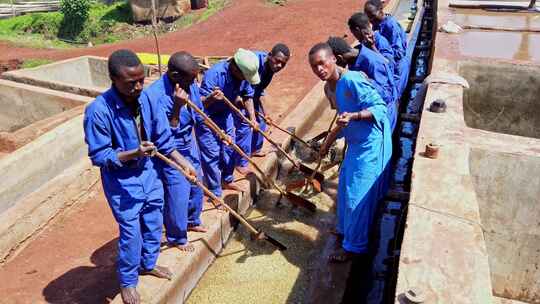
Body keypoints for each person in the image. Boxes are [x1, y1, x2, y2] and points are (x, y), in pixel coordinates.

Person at [83, 49, 196, 304]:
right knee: (131, 234)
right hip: (123, 183)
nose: (137, 87)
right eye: (130, 83)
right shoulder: (98, 111)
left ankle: (148, 264)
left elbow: (164, 139)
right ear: (113, 79)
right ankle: (128, 281)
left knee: (154, 224)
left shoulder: (147, 100)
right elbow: (100, 156)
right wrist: (133, 152)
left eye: (140, 80)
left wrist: (183, 163)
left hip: (149, 174)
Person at [309, 42, 392, 262]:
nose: (319, 69)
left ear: (333, 59)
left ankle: (353, 248)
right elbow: (341, 119)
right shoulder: (328, 88)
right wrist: (326, 145)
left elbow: (380, 108)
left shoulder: (352, 80)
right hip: (356, 144)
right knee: (345, 188)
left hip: (371, 144)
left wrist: (355, 116)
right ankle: (346, 231)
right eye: (314, 66)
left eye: (322, 63)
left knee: (358, 196)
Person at [140, 51, 208, 254]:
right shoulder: (154, 96)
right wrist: (177, 108)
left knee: (198, 183)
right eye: (191, 78)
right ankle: (177, 236)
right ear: (175, 75)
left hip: (189, 142)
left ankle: (192, 219)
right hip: (171, 150)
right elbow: (163, 136)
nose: (195, 82)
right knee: (178, 191)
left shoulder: (188, 83)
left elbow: (198, 110)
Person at [198, 48, 260, 196]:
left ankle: (227, 179)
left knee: (230, 148)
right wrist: (212, 98)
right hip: (207, 118)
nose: (245, 80)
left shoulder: (242, 77)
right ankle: (214, 191)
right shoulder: (214, 75)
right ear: (235, 68)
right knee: (212, 154)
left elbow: (247, 96)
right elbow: (199, 105)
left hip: (225, 115)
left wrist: (252, 118)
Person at [326, 36, 398, 131]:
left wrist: (368, 82)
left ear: (339, 58)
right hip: (367, 111)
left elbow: (388, 95)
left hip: (385, 114)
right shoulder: (353, 60)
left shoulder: (372, 62)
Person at [245, 43, 291, 158]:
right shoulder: (255, 64)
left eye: (283, 64)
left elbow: (259, 90)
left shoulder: (271, 68)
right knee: (244, 124)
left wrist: (266, 114)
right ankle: (241, 158)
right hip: (240, 93)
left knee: (261, 120)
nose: (279, 65)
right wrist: (252, 117)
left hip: (252, 93)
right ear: (270, 55)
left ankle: (255, 149)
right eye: (277, 61)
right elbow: (247, 93)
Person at [365, 0, 410, 96]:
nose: (371, 20)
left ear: (381, 10)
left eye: (372, 16)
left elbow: (399, 52)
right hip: (388, 64)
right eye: (369, 18)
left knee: (395, 95)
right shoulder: (377, 25)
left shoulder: (391, 26)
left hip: (398, 67)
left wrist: (383, 53)